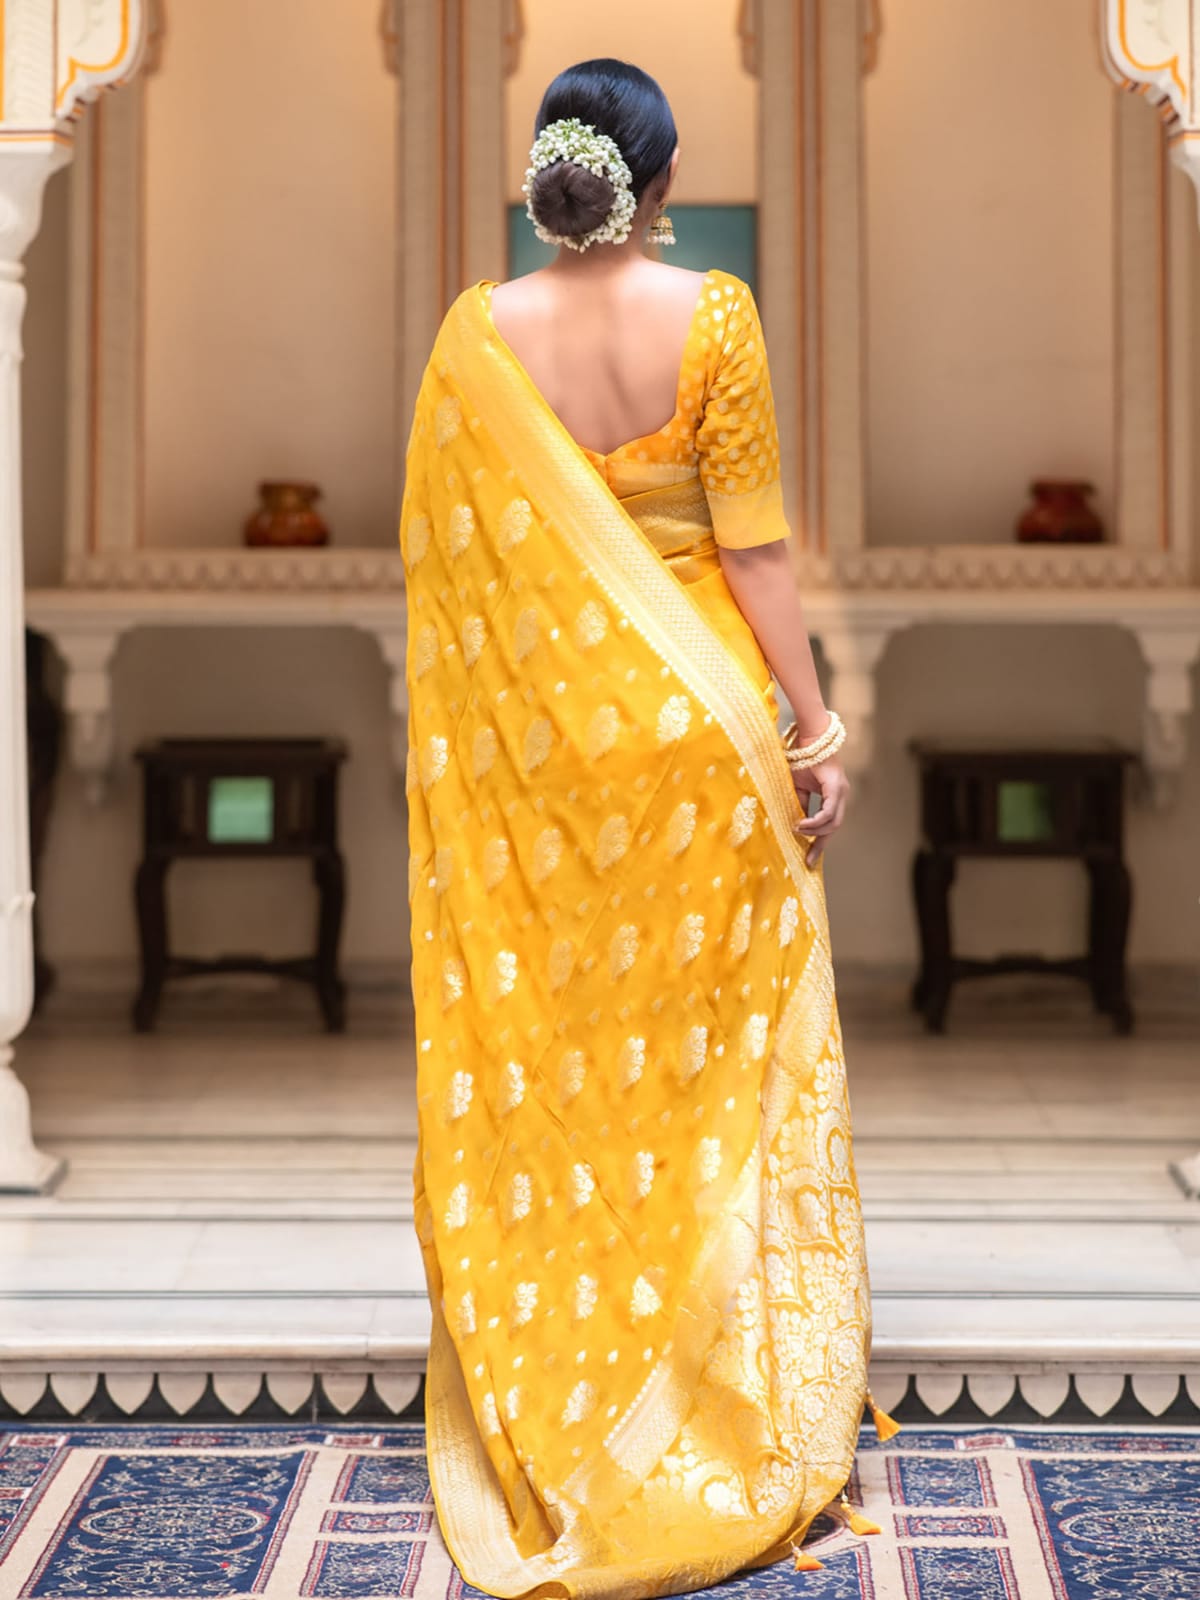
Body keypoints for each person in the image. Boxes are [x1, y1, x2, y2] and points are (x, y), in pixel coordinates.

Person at [400, 57, 890, 1600]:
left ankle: (578, 1381)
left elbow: (455, 581)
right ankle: (716, 1396)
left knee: (573, 1061)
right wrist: (814, 727)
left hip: (553, 762)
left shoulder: (477, 338)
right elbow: (755, 553)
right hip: (702, 744)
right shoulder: (714, 315)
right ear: (659, 180)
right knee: (714, 1063)